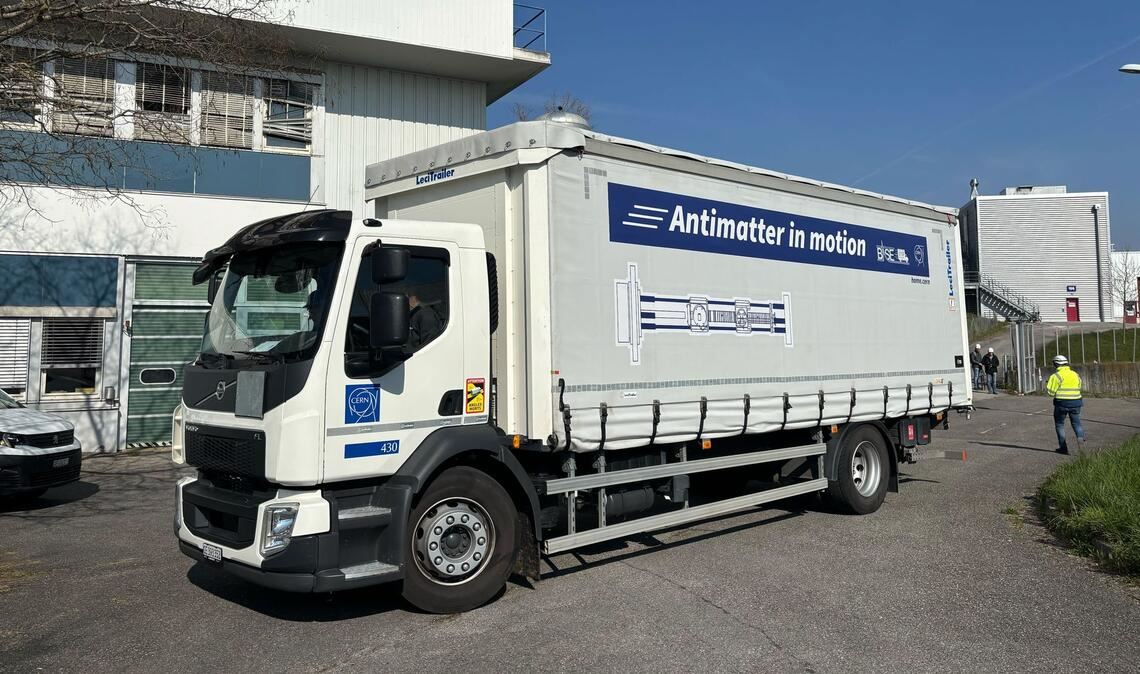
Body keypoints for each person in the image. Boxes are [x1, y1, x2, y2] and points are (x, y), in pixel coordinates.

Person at [1046, 355, 1085, 455]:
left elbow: (1050, 392)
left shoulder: (1056, 376)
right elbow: (1079, 386)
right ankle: (1080, 440)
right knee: (1076, 423)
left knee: (1060, 424)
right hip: (1076, 402)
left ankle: (1063, 448)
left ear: (1056, 364)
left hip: (1061, 403)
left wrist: (1048, 385)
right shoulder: (1075, 374)